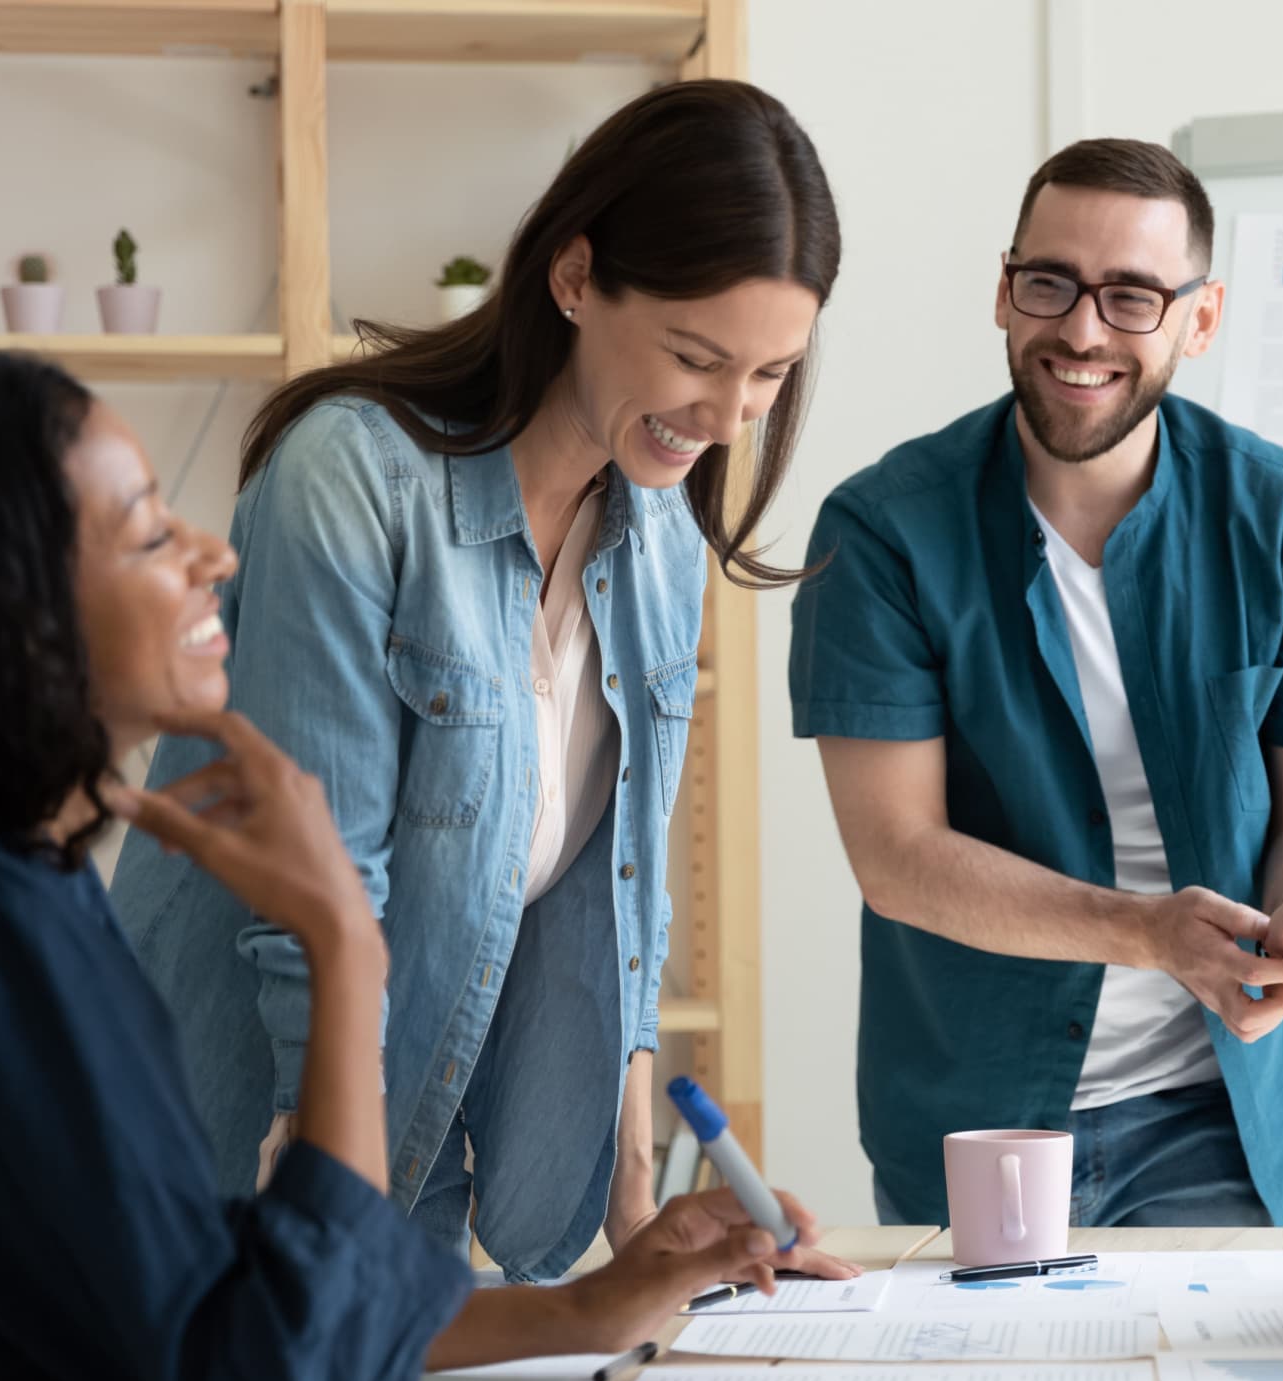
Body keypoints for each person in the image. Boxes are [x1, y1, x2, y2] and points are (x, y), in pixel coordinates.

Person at [0, 351, 829, 1381]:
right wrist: (340, 941)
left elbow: (207, 1282)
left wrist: (589, 1307)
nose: (211, 556)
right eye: (145, 536)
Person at [108, 79, 855, 1280]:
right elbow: (317, 896)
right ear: (572, 278)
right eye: (692, 356)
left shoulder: (657, 528)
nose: (725, 417)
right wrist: (330, 1228)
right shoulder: (353, 482)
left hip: (415, 1141)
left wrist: (637, 1220)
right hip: (242, 1142)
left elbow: (626, 897)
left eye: (768, 375)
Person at [788, 139, 1283, 1230]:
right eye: (1048, 284)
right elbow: (898, 858)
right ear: (1002, 290)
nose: (1080, 329)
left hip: (1219, 1109)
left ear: (1197, 320)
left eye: (1130, 296)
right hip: (974, 1118)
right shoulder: (882, 529)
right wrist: (1149, 931)